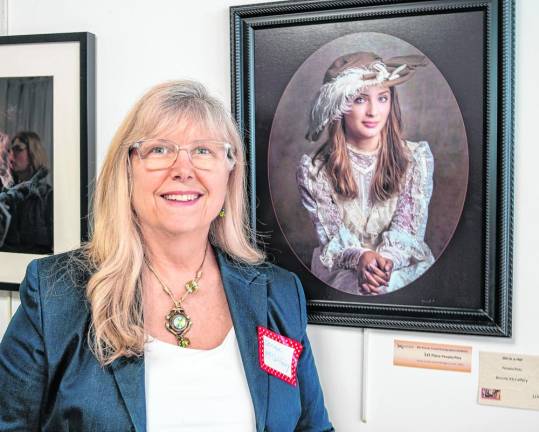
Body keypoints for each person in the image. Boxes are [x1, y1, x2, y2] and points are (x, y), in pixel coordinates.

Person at [0, 81, 333, 431]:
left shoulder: (277, 294)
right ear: (127, 171)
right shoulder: (56, 293)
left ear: (229, 172)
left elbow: (312, 427)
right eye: (159, 150)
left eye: (204, 151)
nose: (183, 169)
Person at [297, 51, 435, 296]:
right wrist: (362, 258)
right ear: (339, 106)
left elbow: (407, 231)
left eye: (382, 98)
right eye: (360, 100)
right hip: (345, 266)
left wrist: (382, 264)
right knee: (359, 290)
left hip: (397, 264)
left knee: (387, 288)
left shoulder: (415, 159)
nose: (373, 111)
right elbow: (333, 239)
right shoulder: (315, 171)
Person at [0, 130, 53, 253]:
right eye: (9, 151)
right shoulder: (6, 194)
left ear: (33, 153)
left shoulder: (47, 196)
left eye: (18, 149)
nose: (11, 156)